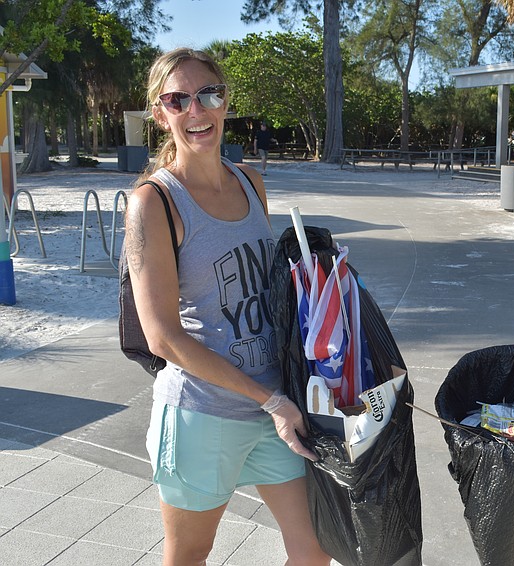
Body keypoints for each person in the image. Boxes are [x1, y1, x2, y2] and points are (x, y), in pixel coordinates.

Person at [124, 48, 330, 566]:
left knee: (315, 552)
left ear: (225, 101)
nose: (197, 110)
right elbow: (162, 338)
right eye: (178, 99)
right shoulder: (154, 203)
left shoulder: (250, 181)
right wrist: (269, 400)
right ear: (160, 113)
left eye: (209, 94)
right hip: (203, 413)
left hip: (275, 406)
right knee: (191, 555)